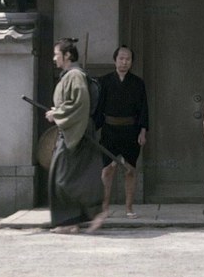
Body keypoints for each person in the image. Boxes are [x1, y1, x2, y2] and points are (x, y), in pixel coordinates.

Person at [44, 38, 107, 234]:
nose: (54, 58)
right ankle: (72, 221)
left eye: (56, 54)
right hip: (72, 129)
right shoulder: (70, 75)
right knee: (69, 176)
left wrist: (57, 114)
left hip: (77, 132)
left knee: (63, 177)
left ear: (67, 55)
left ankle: (91, 213)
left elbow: (80, 104)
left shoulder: (75, 75)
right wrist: (59, 112)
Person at [94, 45, 149, 219]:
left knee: (130, 170)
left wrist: (143, 131)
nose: (124, 62)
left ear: (131, 62)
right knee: (107, 170)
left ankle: (129, 208)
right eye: (121, 58)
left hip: (131, 130)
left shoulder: (138, 83)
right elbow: (98, 108)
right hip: (110, 129)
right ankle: (104, 208)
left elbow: (143, 109)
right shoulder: (104, 82)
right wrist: (92, 128)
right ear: (115, 60)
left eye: (128, 59)